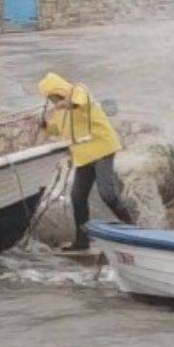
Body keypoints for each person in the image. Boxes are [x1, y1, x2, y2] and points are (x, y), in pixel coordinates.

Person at [37, 72, 135, 250]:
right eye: (49, 98)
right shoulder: (59, 112)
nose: (51, 100)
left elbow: (77, 102)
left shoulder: (78, 91)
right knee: (77, 198)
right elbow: (56, 130)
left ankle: (134, 229)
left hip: (102, 148)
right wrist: (45, 126)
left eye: (51, 96)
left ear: (57, 90)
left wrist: (62, 104)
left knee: (107, 194)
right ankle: (82, 241)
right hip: (84, 157)